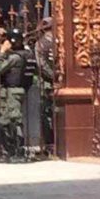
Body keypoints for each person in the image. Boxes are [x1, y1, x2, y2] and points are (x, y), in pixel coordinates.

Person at [0, 28, 33, 163]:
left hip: (13, 91)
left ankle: (18, 150)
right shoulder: (26, 53)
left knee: (13, 119)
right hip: (18, 90)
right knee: (9, 119)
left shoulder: (15, 57)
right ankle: (12, 149)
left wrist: (2, 52)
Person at [35, 18, 56, 156]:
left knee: (46, 113)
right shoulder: (59, 41)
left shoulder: (40, 44)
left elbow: (41, 64)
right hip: (59, 80)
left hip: (47, 82)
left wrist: (52, 76)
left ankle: (50, 144)